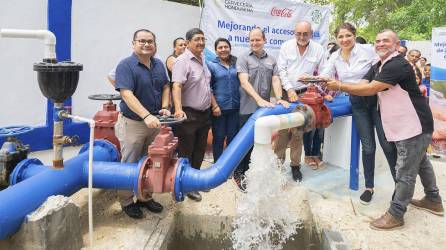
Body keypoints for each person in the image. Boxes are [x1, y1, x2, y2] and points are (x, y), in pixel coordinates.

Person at [325, 29, 443, 230]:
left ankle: (396, 214)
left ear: (397, 45)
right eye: (378, 41)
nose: (380, 44)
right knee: (421, 162)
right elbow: (364, 81)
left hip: (414, 125)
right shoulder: (379, 65)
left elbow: (371, 88)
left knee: (405, 170)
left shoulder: (397, 64)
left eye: (386, 41)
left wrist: (340, 86)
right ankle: (433, 200)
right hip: (406, 124)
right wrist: (342, 85)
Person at [319, 23, 397, 205]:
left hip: (377, 100)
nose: (344, 40)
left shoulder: (368, 50)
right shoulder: (334, 56)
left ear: (354, 35)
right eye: (341, 37)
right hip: (356, 103)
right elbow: (325, 75)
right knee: (368, 146)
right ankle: (369, 187)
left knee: (387, 145)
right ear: (336, 39)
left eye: (348, 36)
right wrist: (310, 79)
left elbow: (380, 68)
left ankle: (399, 186)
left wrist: (365, 83)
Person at [114, 29, 170, 219]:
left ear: (155, 44)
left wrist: (164, 106)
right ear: (133, 43)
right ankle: (126, 201)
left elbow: (165, 86)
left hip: (154, 122)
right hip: (134, 123)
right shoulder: (126, 66)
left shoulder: (158, 64)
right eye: (142, 41)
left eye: (150, 41)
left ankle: (144, 197)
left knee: (150, 161)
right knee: (129, 163)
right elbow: (126, 94)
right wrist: (146, 115)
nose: (146, 44)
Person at [233, 27, 289, 191]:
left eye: (258, 39)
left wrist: (279, 99)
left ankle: (250, 173)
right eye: (252, 40)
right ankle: (238, 173)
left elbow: (276, 80)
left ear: (264, 40)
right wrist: (258, 100)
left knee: (257, 142)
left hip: (264, 110)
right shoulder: (243, 58)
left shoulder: (271, 59)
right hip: (247, 108)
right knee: (243, 143)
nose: (254, 42)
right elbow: (244, 82)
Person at [276, 21, 327, 177]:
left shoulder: (319, 49)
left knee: (299, 132)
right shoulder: (286, 46)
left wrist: (311, 79)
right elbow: (281, 71)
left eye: (305, 33)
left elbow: (325, 72)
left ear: (311, 33)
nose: (302, 37)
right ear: (294, 33)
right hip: (287, 93)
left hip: (306, 95)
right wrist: (290, 89)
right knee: (283, 131)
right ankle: (278, 164)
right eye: (298, 33)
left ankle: (295, 166)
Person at [172, 28, 213, 202]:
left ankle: (195, 182)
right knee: (186, 151)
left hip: (204, 114)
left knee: (199, 150)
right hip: (188, 114)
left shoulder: (203, 58)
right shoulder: (182, 61)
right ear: (188, 42)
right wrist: (178, 109)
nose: (201, 42)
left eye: (203, 39)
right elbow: (176, 86)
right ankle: (184, 185)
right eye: (197, 39)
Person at [207, 38, 240, 161]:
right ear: (216, 50)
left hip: (235, 107)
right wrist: (214, 105)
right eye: (220, 47)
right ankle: (218, 165)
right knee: (219, 137)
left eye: (226, 47)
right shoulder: (211, 65)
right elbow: (208, 87)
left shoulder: (236, 64)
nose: (223, 49)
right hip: (219, 109)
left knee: (233, 137)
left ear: (230, 48)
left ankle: (230, 164)